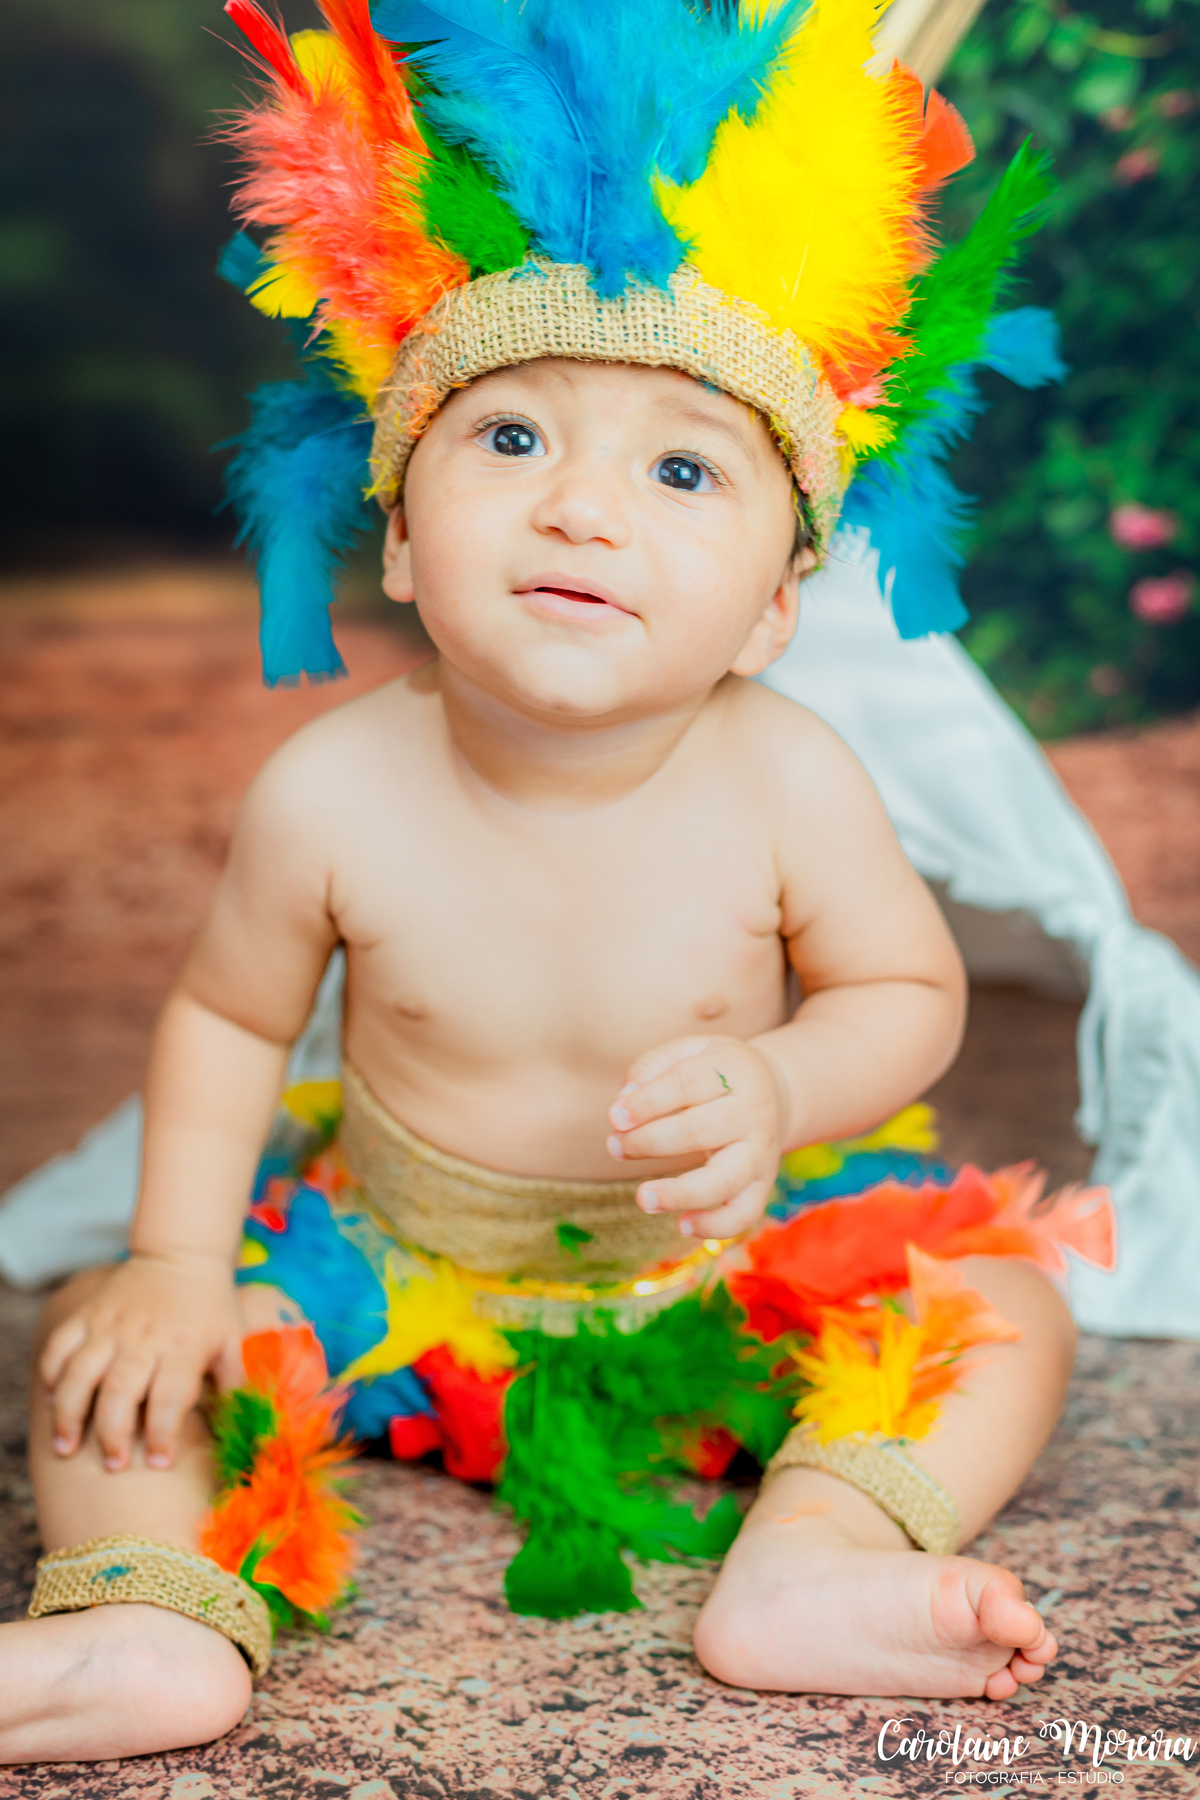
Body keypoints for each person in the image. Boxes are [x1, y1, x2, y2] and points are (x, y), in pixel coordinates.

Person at [0, 0, 1115, 1764]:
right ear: (398, 528)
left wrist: (781, 1083)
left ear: (775, 607)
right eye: (511, 439)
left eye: (680, 468)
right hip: (391, 1266)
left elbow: (906, 995)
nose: (584, 509)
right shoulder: (334, 789)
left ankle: (819, 1554)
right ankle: (140, 1618)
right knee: (109, 1343)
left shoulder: (788, 778)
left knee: (1002, 1302)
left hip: (721, 1273)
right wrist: (175, 1260)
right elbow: (227, 1016)